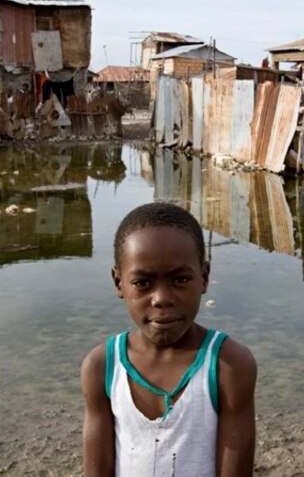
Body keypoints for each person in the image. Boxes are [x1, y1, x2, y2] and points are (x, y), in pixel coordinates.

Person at [81, 202, 257, 476]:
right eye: (142, 283)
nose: (162, 298)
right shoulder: (102, 366)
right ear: (118, 283)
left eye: (180, 279)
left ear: (204, 277)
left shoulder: (229, 365)